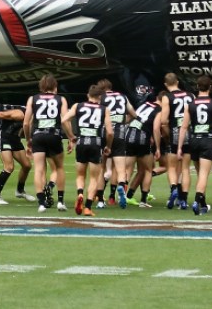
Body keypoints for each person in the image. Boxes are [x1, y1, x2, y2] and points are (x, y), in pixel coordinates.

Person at [23, 73, 71, 213]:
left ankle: (42, 203)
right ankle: (61, 202)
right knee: (59, 168)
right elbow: (65, 120)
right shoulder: (60, 99)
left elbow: (26, 123)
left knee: (39, 169)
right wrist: (71, 137)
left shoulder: (33, 99)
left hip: (38, 135)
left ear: (41, 86)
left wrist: (28, 140)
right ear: (55, 86)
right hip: (54, 135)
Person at [178, 75, 212, 216]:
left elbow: (184, 127)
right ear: (210, 87)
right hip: (208, 140)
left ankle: (203, 204)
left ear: (197, 87)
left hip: (193, 140)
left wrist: (180, 147)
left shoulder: (190, 105)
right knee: (204, 174)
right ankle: (197, 200)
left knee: (200, 173)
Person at [68, 83, 111, 216]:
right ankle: (87, 207)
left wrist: (71, 137)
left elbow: (64, 119)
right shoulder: (104, 109)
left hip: (81, 142)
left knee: (80, 175)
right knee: (94, 177)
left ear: (88, 95)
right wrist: (108, 146)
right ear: (100, 97)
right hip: (95, 143)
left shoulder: (77, 106)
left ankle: (80, 193)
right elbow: (110, 132)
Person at [98, 79, 136, 207]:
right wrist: (122, 122)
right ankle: (119, 188)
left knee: (102, 168)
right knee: (120, 169)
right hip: (120, 133)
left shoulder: (101, 97)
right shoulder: (122, 97)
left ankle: (100, 199)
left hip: (105, 133)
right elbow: (133, 114)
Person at [160, 73, 190, 210]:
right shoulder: (190, 96)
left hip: (175, 133)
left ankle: (174, 189)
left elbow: (164, 120)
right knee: (185, 169)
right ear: (177, 81)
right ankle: (183, 200)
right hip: (189, 133)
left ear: (166, 85)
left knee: (171, 167)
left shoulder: (167, 97)